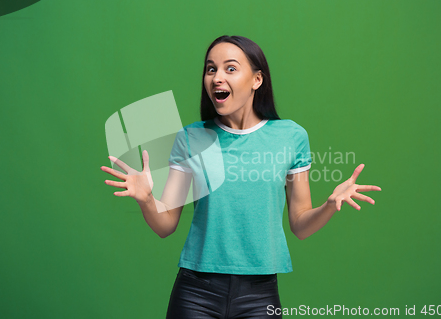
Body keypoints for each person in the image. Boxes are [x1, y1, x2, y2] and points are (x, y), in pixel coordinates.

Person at [100, 35, 382, 318]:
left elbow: (300, 225)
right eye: (211, 69)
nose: (217, 78)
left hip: (259, 295)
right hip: (196, 292)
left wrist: (330, 205)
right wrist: (147, 199)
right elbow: (165, 225)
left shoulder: (290, 137)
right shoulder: (192, 138)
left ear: (257, 80)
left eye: (230, 68)